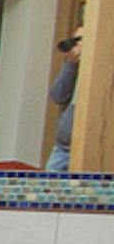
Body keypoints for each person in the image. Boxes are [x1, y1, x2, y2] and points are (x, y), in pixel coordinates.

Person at [52, 28, 84, 174]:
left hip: (86, 150)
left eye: (81, 39)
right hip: (62, 149)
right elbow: (58, 95)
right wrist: (72, 63)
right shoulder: (75, 67)